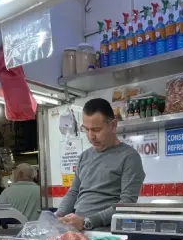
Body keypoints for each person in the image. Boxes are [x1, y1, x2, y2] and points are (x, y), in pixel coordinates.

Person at [56, 98, 145, 230]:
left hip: (108, 234)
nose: (91, 136)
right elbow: (74, 192)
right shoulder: (84, 157)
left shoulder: (129, 157)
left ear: (113, 125)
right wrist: (58, 216)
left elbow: (127, 203)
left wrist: (87, 222)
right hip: (78, 231)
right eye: (86, 129)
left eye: (96, 130)